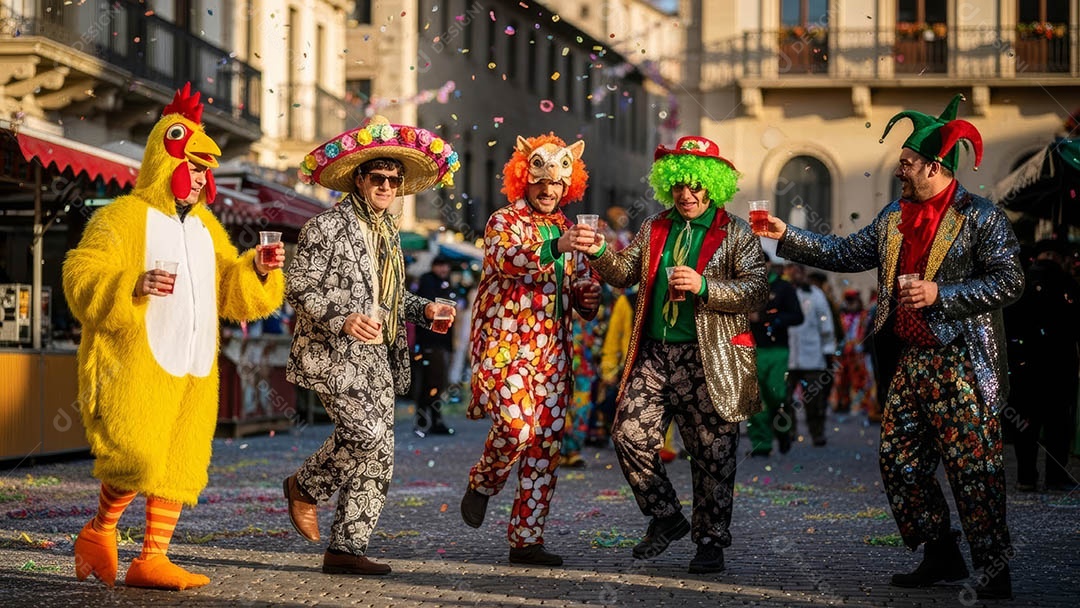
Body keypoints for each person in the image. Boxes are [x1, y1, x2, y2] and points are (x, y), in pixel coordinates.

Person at [754, 94, 1023, 599]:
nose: (899, 171)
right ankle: (941, 553)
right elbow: (846, 250)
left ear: (935, 165)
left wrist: (943, 293)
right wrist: (787, 234)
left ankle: (993, 566)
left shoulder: (980, 216)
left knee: (975, 467)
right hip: (909, 359)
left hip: (961, 360)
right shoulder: (896, 215)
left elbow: (1010, 280)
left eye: (906, 163)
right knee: (898, 461)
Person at [64, 83, 286, 590]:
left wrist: (258, 268)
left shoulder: (207, 227)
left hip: (194, 368)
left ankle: (152, 558)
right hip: (134, 363)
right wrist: (131, 285)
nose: (203, 174)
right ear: (166, 160)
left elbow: (233, 291)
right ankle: (99, 530)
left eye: (207, 168)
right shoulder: (122, 216)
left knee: (179, 465)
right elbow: (79, 275)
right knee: (136, 456)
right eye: (195, 164)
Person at [576, 135, 768, 573]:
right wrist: (602, 251)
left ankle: (710, 541)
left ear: (712, 185)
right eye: (678, 185)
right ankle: (666, 516)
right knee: (628, 434)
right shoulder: (655, 227)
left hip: (711, 356)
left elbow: (757, 290)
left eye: (695, 185)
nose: (686, 194)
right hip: (656, 354)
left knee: (713, 453)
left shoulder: (734, 232)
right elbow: (625, 275)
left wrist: (706, 286)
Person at [284, 115, 460, 576]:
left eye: (394, 180)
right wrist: (343, 319)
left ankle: (346, 548)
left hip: (379, 354)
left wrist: (426, 311)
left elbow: (392, 297)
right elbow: (298, 286)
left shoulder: (388, 234)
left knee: (380, 453)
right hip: (331, 352)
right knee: (364, 434)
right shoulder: (326, 226)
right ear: (359, 179)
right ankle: (304, 487)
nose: (387, 185)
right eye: (378, 177)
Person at [461, 133, 599, 567]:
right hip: (506, 346)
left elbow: (577, 287)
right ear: (524, 180)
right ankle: (484, 481)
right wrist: (557, 247)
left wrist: (586, 298)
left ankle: (527, 540)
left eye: (557, 184)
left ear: (568, 186)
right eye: (540, 182)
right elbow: (510, 261)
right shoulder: (503, 221)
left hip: (554, 353)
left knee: (544, 446)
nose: (548, 190)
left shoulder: (566, 228)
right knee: (516, 429)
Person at [1002, 239, 1079, 492]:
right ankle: (1055, 476)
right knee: (1057, 424)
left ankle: (1026, 476)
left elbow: (1007, 322)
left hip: (1025, 367)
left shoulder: (1020, 283)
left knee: (1026, 424)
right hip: (1059, 367)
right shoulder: (1067, 285)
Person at [746, 256, 804, 456]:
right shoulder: (744, 285)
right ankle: (761, 443)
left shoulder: (783, 288)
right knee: (755, 399)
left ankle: (783, 429)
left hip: (777, 349)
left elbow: (797, 316)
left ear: (770, 265)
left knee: (777, 394)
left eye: (763, 263)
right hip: (750, 349)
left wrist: (766, 319)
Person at [785, 263, 836, 447]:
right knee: (785, 399)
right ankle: (789, 433)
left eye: (798, 269)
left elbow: (826, 324)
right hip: (788, 356)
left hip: (813, 356)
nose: (794, 273)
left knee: (815, 401)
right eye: (791, 269)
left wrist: (828, 350)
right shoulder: (785, 293)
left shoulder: (816, 295)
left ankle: (817, 433)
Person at [412, 255, 457, 436]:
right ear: (433, 266)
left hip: (439, 342)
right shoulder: (428, 281)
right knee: (435, 382)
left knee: (430, 381)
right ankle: (433, 420)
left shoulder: (445, 283)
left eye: (446, 265)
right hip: (430, 341)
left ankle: (423, 418)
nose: (443, 269)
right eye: (440, 265)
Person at [832, 289, 878, 420]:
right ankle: (842, 403)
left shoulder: (864, 316)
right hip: (843, 352)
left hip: (857, 353)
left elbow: (864, 332)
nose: (851, 304)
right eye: (848, 301)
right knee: (840, 379)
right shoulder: (841, 317)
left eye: (853, 301)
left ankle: (859, 404)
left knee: (860, 379)